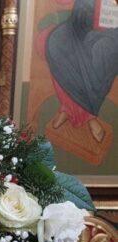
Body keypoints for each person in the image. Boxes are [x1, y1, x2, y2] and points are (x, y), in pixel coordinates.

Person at [46, 0, 118, 143]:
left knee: (102, 51)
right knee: (56, 41)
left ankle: (84, 113)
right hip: (79, 29)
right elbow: (79, 14)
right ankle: (70, 108)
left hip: (110, 36)